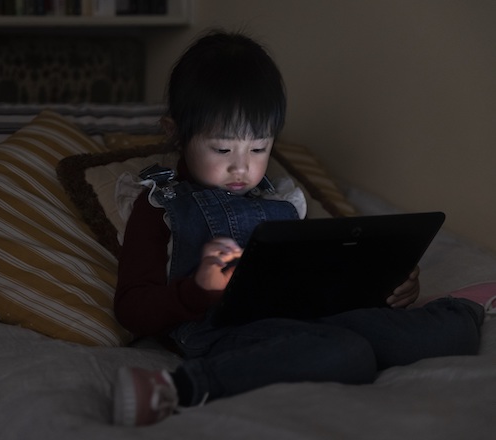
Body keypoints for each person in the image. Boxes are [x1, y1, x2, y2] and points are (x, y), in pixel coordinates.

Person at [111, 30, 485, 427]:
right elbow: (132, 310)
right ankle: (180, 386)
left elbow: (316, 274)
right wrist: (198, 291)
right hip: (230, 336)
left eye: (259, 149)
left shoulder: (282, 198)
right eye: (222, 150)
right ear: (176, 132)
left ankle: (464, 306)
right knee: (347, 355)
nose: (242, 168)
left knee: (451, 333)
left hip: (309, 318)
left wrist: (390, 284)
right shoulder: (160, 206)